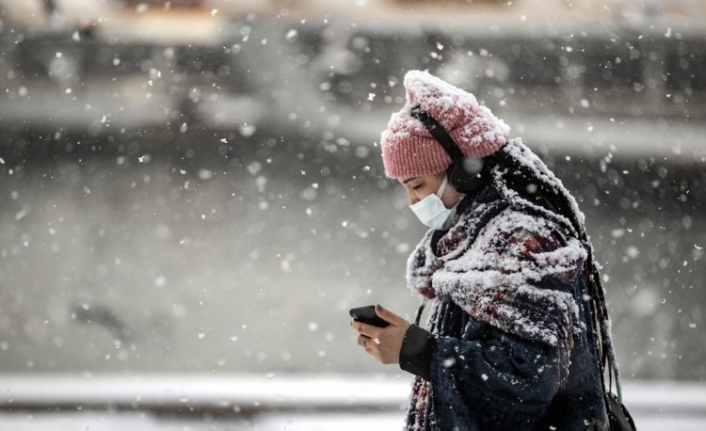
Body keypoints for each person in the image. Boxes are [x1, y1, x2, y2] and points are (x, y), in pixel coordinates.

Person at [351, 70, 622, 430]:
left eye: (417, 185)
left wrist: (417, 350)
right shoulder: (469, 242)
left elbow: (526, 383)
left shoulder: (521, 241)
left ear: (464, 172)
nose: (413, 201)